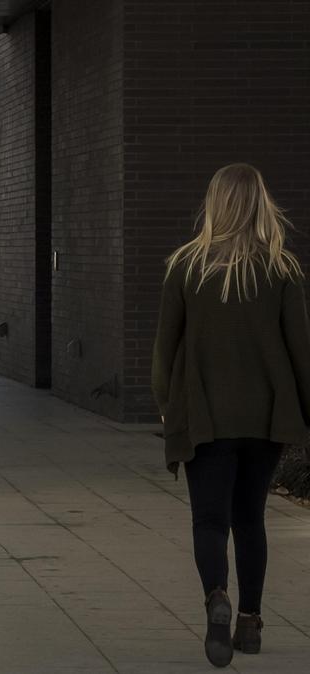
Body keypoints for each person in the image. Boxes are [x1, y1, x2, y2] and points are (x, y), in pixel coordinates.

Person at [152, 163, 310, 668]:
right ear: (261, 204)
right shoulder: (282, 269)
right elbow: (301, 352)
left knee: (210, 519)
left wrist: (169, 410)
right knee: (250, 519)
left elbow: (163, 353)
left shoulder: (186, 266)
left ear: (214, 204)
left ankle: (216, 596)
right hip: (265, 420)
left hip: (205, 419)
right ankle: (250, 621)